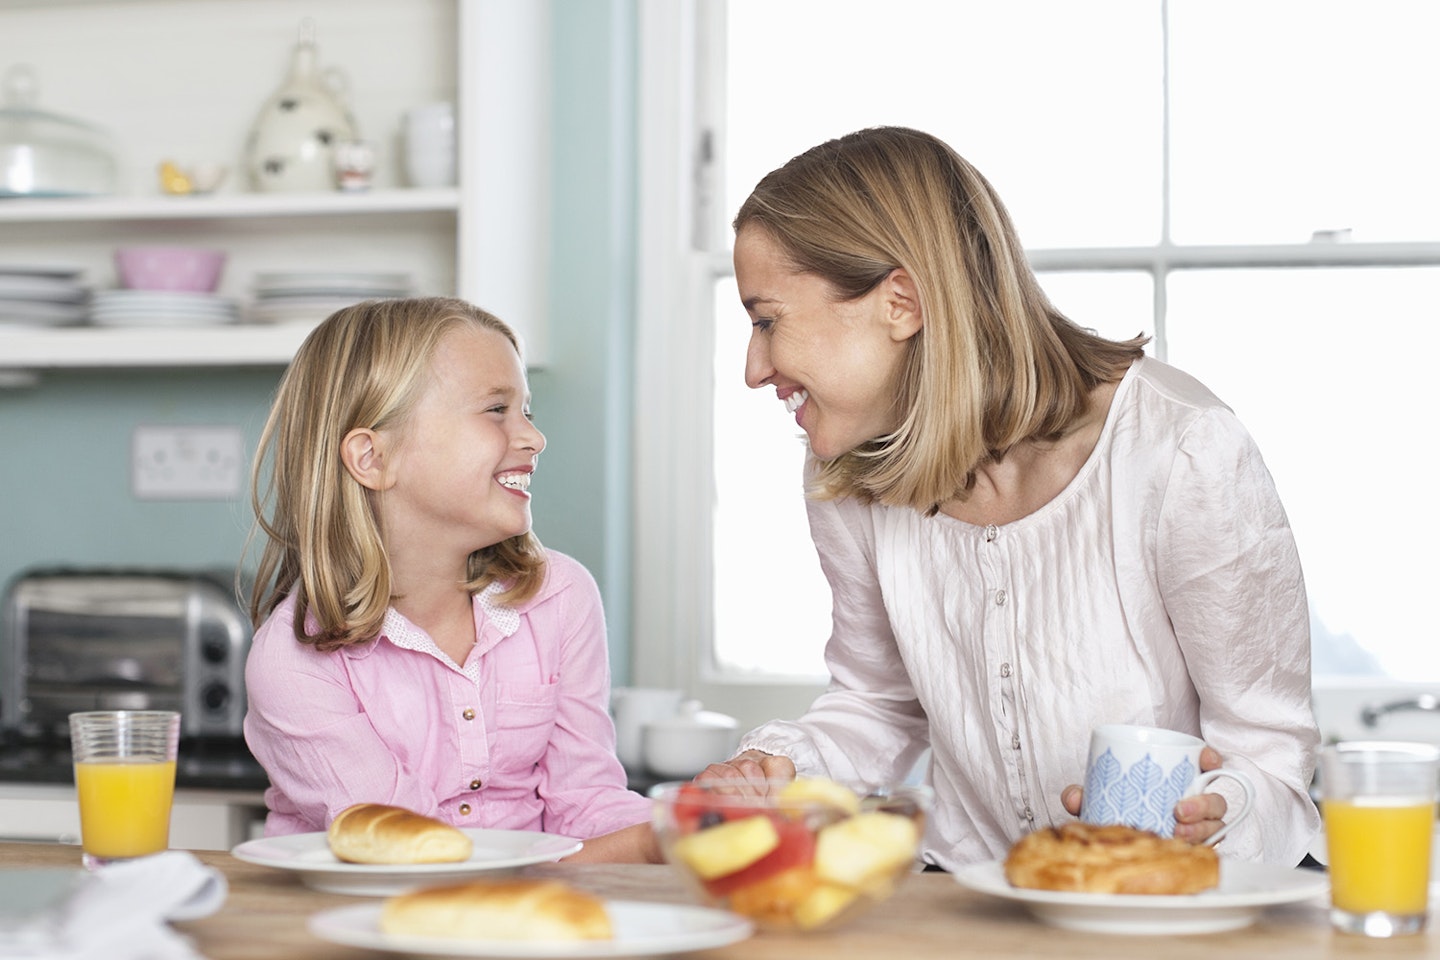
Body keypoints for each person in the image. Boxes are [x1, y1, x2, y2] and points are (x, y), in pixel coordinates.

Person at [700, 126, 1320, 870]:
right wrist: (779, 770)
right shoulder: (848, 474)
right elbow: (878, 704)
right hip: (966, 920)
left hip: (1169, 925)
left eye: (767, 320)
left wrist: (1213, 817)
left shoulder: (1180, 450)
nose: (754, 366)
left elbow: (1271, 758)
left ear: (900, 302)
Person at [242, 297, 658, 862]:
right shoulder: (294, 662)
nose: (534, 438)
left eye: (527, 411)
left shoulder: (560, 598)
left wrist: (679, 829)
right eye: (496, 410)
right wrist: (653, 842)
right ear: (372, 457)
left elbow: (587, 803)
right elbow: (415, 852)